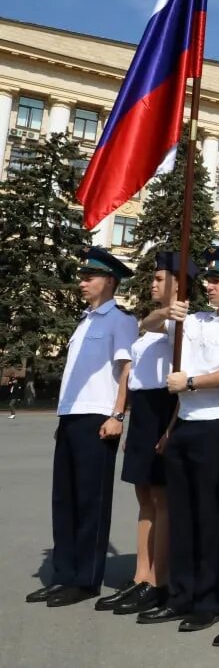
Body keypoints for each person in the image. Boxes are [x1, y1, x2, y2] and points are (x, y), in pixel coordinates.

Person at [139, 246, 219, 631]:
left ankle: (208, 601)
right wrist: (167, 311)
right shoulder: (196, 319)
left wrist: (191, 381)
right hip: (184, 424)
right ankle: (180, 595)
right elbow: (150, 325)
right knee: (182, 515)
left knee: (211, 517)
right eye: (207, 279)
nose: (208, 285)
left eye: (217, 280)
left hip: (217, 426)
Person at [26, 248, 136, 608]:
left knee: (91, 500)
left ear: (110, 281)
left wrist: (117, 415)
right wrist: (64, 417)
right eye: (82, 276)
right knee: (65, 499)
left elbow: (126, 371)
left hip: (99, 418)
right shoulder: (85, 321)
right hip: (73, 417)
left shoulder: (120, 320)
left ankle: (85, 579)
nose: (82, 282)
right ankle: (63, 575)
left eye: (90, 276)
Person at [99, 253, 188, 617]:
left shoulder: (184, 324)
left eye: (160, 278)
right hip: (144, 412)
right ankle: (141, 576)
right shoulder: (156, 321)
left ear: (180, 284)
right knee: (144, 499)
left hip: (166, 410)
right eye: (151, 278)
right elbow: (145, 328)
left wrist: (170, 429)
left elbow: (184, 382)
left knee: (161, 499)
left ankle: (159, 579)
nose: (152, 283)